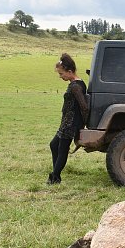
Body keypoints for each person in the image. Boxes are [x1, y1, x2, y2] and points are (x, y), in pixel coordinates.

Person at [48, 53, 88, 184]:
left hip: (71, 123)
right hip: (66, 122)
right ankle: (56, 174)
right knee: (54, 145)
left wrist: (83, 124)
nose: (60, 77)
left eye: (61, 74)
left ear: (70, 71)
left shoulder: (76, 86)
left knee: (62, 149)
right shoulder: (74, 83)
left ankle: (55, 177)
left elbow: (84, 106)